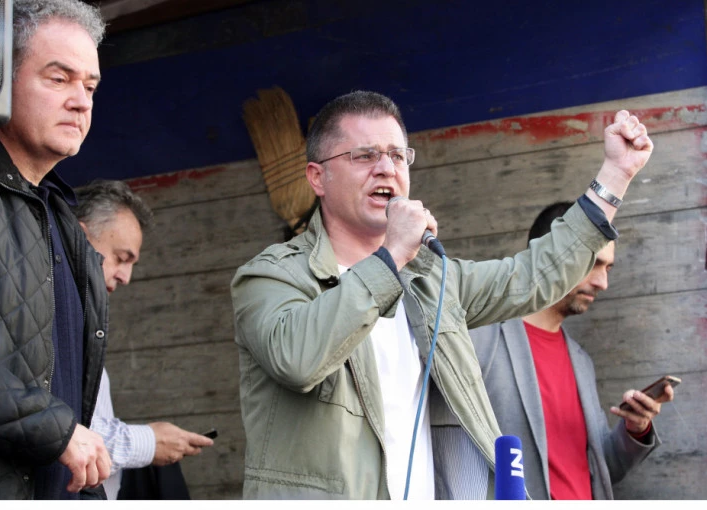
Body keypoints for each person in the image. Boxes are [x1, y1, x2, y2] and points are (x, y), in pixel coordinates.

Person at [230, 90, 654, 499]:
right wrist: (392, 255)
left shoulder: (433, 281)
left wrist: (615, 174)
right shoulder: (271, 275)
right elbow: (297, 359)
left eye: (398, 155)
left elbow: (532, 277)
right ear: (317, 177)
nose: (386, 168)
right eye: (364, 155)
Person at [0, 0, 111, 499]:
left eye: (90, 86)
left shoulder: (63, 216)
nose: (80, 102)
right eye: (59, 79)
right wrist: (55, 431)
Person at [468, 201, 674, 499]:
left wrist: (635, 427)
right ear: (549, 253)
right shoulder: (481, 340)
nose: (603, 282)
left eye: (608, 268)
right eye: (593, 263)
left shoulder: (581, 361)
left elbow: (602, 470)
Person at [73, 179, 214, 500]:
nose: (126, 277)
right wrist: (149, 442)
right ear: (79, 238)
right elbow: (61, 435)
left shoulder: (83, 324)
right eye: (121, 258)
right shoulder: (48, 322)